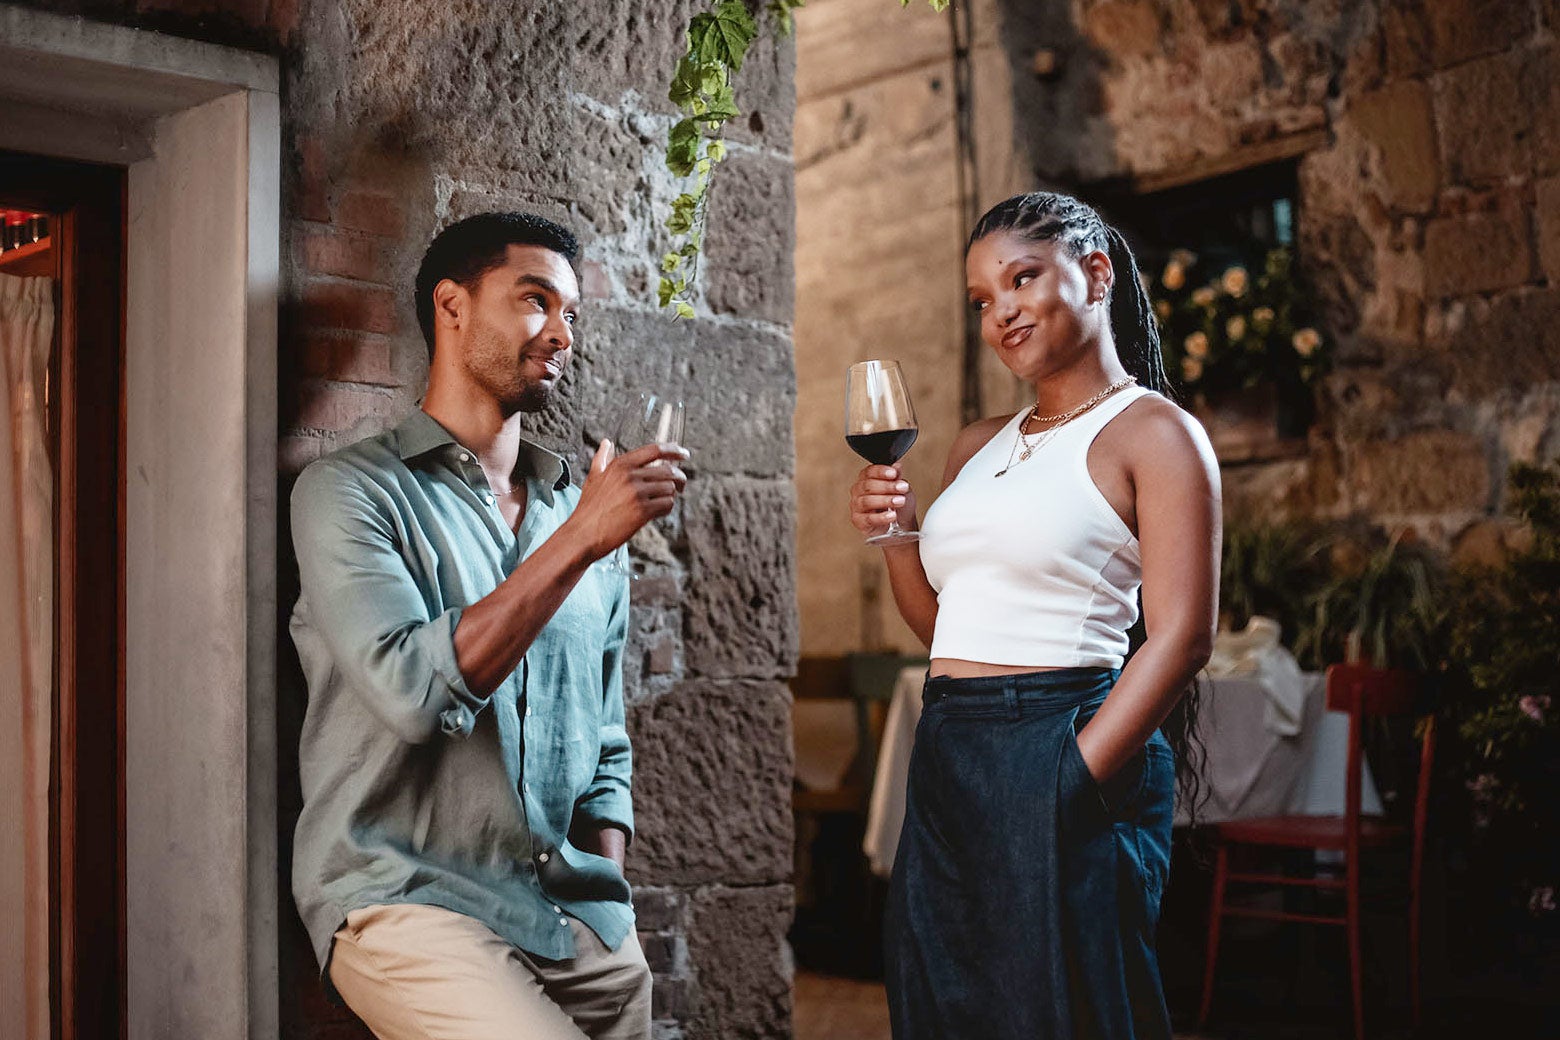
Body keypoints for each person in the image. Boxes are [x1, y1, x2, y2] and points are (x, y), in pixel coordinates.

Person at [289, 212, 687, 1040]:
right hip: (405, 900)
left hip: (578, 922)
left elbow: (605, 741)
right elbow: (409, 692)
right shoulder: (349, 493)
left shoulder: (580, 513)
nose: (561, 332)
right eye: (536, 300)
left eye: (572, 313)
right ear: (452, 305)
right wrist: (583, 538)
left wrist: (609, 909)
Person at [848, 191, 1221, 1038]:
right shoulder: (977, 443)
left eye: (1022, 280)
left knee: (1069, 1008)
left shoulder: (1155, 434)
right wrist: (897, 537)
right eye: (983, 300)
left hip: (1062, 736)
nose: (1001, 312)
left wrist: (1074, 773)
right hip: (950, 748)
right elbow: (949, 634)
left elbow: (1184, 634)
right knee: (946, 1005)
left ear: (1096, 275)